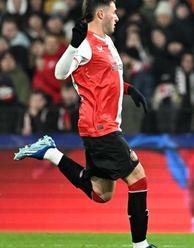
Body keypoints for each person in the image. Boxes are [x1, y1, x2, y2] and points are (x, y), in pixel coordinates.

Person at [13, 1, 155, 248]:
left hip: (103, 125)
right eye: (114, 12)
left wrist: (129, 90)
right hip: (100, 126)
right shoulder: (85, 43)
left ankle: (51, 152)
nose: (117, 17)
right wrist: (73, 45)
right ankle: (140, 245)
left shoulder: (107, 42)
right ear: (101, 13)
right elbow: (60, 73)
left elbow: (105, 78)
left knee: (101, 194)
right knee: (138, 178)